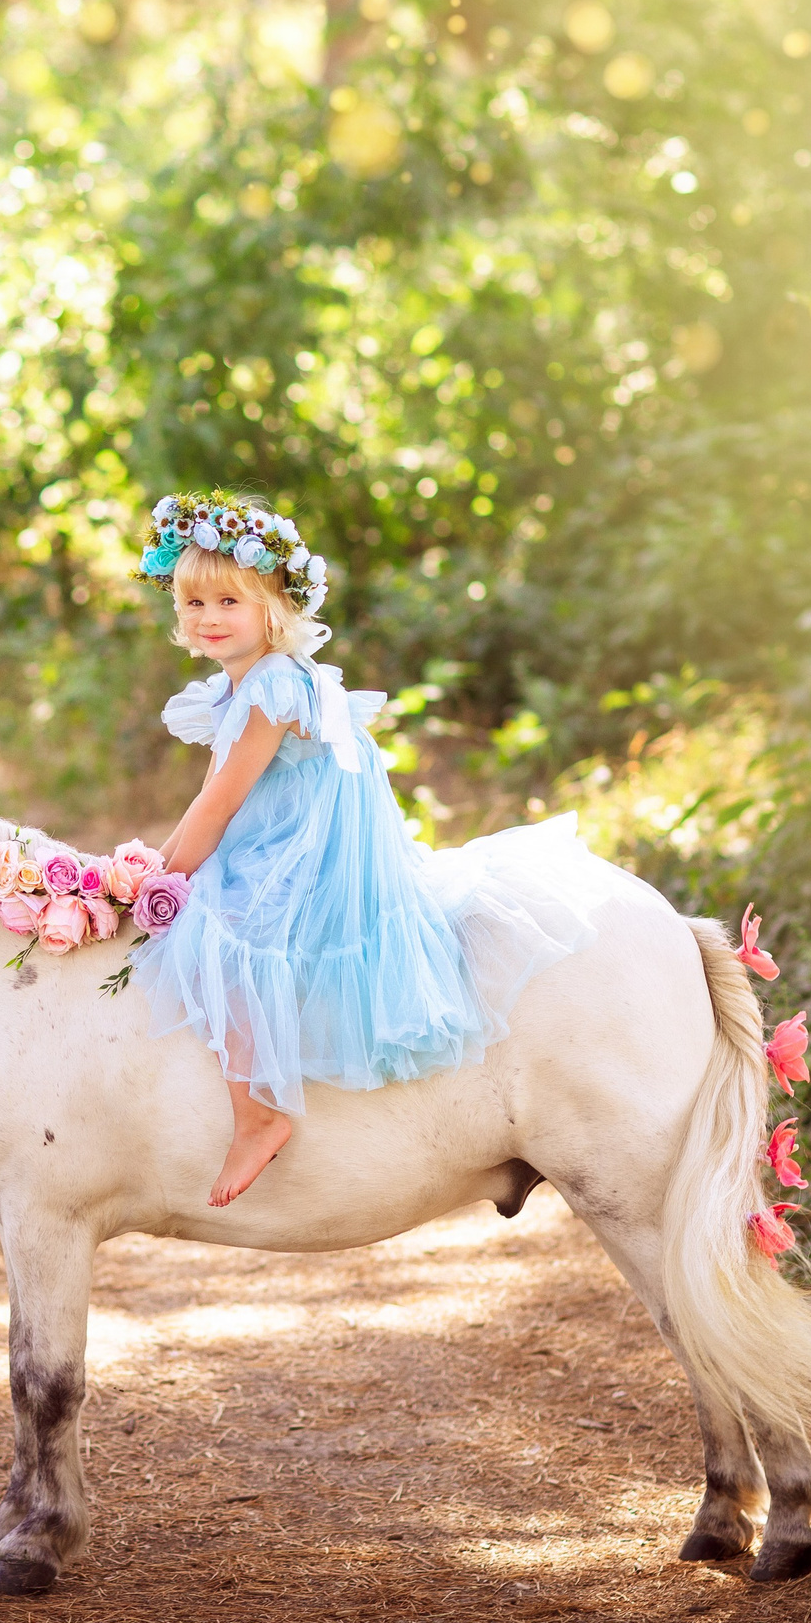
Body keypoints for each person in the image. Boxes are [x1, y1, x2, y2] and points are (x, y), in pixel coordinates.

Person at [130, 490, 620, 1206]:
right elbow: (212, 795)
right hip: (280, 831)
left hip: (315, 850)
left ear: (273, 607)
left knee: (222, 933)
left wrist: (169, 880)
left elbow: (222, 804)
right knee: (188, 895)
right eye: (194, 604)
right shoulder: (241, 683)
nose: (208, 619)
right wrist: (155, 866)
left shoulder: (271, 687)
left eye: (228, 602)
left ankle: (257, 1114)